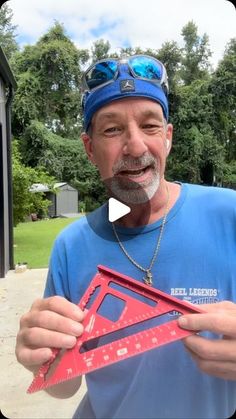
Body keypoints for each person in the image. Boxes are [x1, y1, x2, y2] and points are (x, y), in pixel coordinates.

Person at [15, 55, 236, 419]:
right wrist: (39, 356)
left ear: (167, 138)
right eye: (112, 130)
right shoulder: (72, 245)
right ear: (90, 149)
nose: (135, 147)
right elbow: (63, 385)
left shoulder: (229, 215)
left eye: (150, 126)